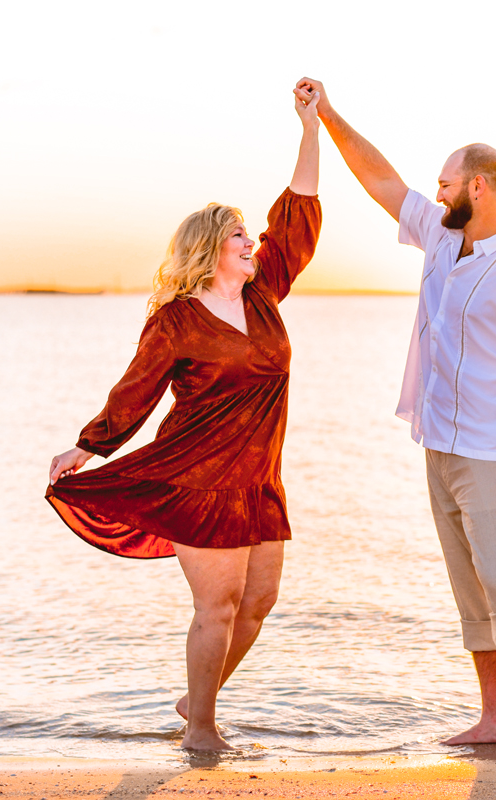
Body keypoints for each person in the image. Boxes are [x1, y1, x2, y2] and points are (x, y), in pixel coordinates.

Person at [294, 78, 496, 768]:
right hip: (438, 446)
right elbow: (379, 178)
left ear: (479, 187)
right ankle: (495, 718)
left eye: (446, 185)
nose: (435, 194)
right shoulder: (444, 243)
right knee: (470, 588)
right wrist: (326, 114)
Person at [45, 90, 323, 751]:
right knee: (217, 609)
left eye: (250, 235)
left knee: (257, 606)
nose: (253, 241)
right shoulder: (174, 321)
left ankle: (194, 700)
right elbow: (134, 393)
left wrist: (309, 126)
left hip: (261, 482)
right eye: (238, 235)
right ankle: (201, 729)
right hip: (200, 482)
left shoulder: (263, 293)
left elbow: (299, 215)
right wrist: (89, 445)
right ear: (210, 247)